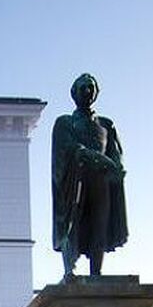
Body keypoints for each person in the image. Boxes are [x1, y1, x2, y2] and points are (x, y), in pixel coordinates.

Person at [51, 73, 128, 279]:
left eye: (91, 88)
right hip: (74, 180)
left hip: (101, 182)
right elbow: (66, 149)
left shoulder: (106, 124)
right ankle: (70, 270)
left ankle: (97, 273)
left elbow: (115, 152)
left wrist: (117, 168)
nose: (87, 91)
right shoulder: (65, 123)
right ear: (74, 93)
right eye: (83, 87)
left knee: (99, 225)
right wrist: (93, 156)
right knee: (71, 223)